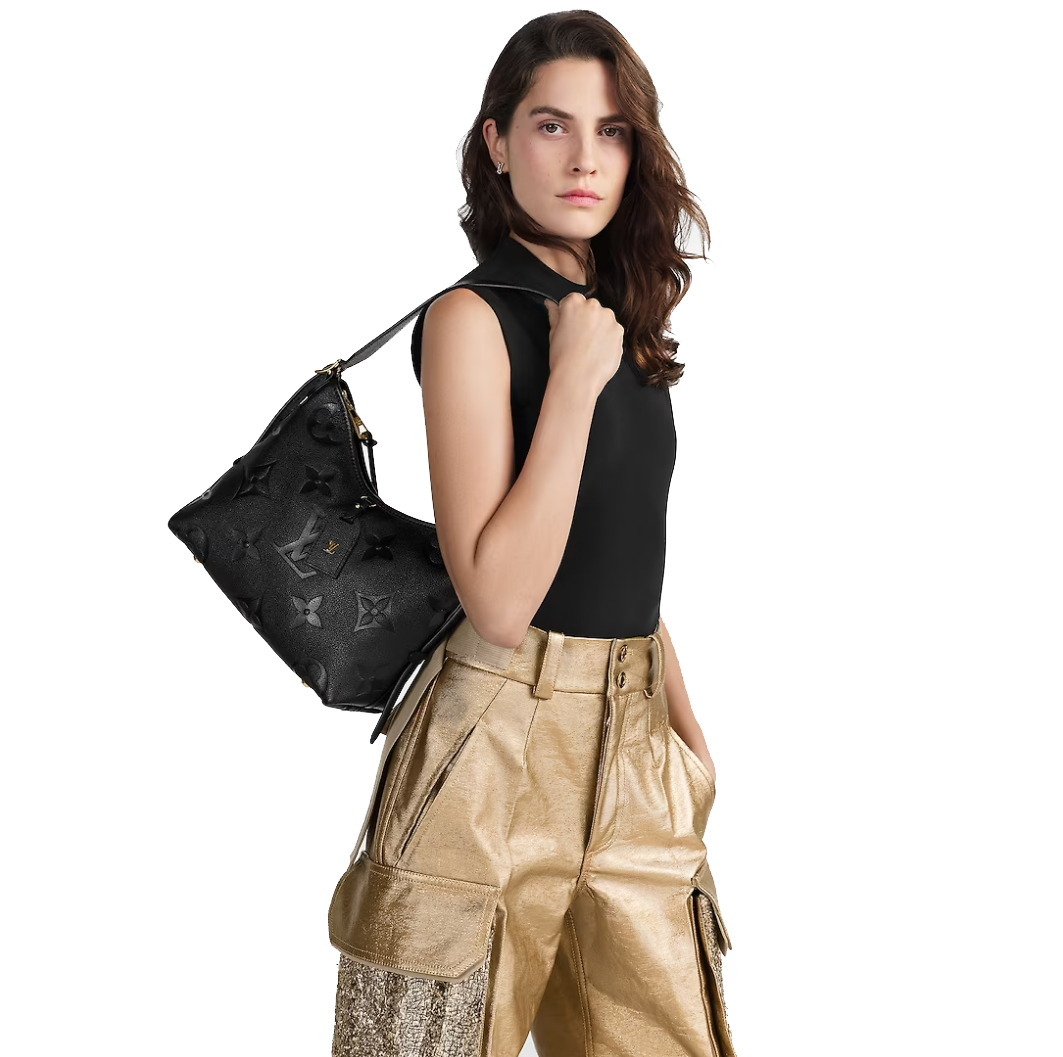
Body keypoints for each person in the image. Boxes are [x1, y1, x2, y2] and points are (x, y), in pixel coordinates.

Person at [328, 11, 737, 1056]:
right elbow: (500, 599)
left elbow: (617, 547)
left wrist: (683, 729)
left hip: (635, 745)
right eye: (552, 126)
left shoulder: (616, 325)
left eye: (612, 131)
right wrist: (570, 388)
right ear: (497, 143)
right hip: (489, 751)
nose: (584, 158)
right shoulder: (472, 319)